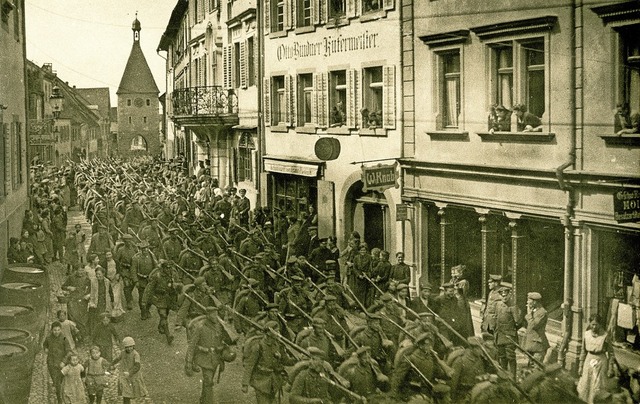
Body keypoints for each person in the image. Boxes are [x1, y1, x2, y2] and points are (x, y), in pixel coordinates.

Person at [185, 306, 235, 403]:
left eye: (216, 314)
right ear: (207, 315)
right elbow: (192, 345)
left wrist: (227, 330)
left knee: (209, 380)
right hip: (204, 357)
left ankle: (204, 399)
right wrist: (189, 362)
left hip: (216, 357)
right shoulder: (200, 327)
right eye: (212, 314)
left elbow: (227, 340)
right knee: (208, 380)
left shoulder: (219, 326)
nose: (215, 316)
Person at [242, 321, 296, 404]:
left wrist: (296, 360)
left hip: (274, 381)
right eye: (276, 331)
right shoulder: (258, 346)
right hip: (261, 381)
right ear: (268, 332)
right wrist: (245, 384)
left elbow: (285, 360)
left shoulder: (278, 345)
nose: (278, 333)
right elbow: (250, 365)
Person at [577, 314, 616, 403]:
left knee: (597, 386)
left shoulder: (605, 336)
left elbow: (611, 353)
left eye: (596, 324)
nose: (594, 327)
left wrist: (610, 368)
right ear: (590, 323)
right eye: (592, 324)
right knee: (585, 384)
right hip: (588, 359)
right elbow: (583, 351)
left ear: (600, 324)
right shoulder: (586, 334)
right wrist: (580, 366)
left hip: (600, 361)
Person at [494, 285, 521, 378]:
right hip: (500, 335)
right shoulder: (497, 305)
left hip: (509, 336)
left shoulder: (513, 307)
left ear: (509, 295)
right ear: (500, 296)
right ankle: (503, 376)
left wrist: (511, 330)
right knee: (502, 357)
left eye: (506, 295)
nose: (504, 297)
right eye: (502, 296)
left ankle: (513, 377)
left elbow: (518, 322)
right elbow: (496, 317)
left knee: (511, 357)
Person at [112, 337, 148, 404]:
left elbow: (137, 366)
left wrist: (130, 372)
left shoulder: (135, 354)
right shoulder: (123, 353)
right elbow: (118, 358)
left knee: (135, 392)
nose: (129, 348)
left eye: (130, 346)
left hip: (133, 375)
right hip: (125, 376)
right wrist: (112, 364)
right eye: (127, 347)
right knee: (126, 394)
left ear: (133, 346)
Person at [43, 321, 72, 404]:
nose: (56, 332)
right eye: (55, 330)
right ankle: (60, 397)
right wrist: (45, 349)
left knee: (58, 382)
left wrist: (63, 361)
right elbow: (44, 345)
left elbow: (69, 352)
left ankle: (60, 399)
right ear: (52, 330)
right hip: (51, 364)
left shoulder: (64, 338)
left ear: (61, 330)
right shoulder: (48, 338)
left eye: (58, 330)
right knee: (56, 382)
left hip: (61, 365)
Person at [522, 291, 549, 364]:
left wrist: (529, 314)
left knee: (537, 369)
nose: (527, 302)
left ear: (535, 302)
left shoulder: (542, 312)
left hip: (538, 346)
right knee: (530, 368)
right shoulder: (533, 311)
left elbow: (533, 325)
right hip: (531, 344)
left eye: (529, 300)